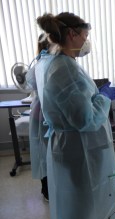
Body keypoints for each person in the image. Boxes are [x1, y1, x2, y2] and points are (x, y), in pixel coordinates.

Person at [35, 12, 115, 219]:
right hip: (78, 146)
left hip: (71, 144)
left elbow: (76, 99)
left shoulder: (54, 62)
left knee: (79, 198)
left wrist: (95, 91)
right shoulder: (64, 68)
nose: (87, 40)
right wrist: (103, 97)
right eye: (85, 34)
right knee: (82, 199)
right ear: (72, 33)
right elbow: (84, 118)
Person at [26, 33, 50, 201]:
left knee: (51, 152)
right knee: (44, 151)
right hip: (41, 114)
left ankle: (51, 186)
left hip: (46, 112)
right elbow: (32, 83)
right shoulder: (39, 65)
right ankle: (46, 188)